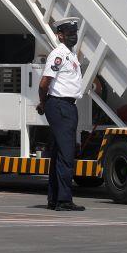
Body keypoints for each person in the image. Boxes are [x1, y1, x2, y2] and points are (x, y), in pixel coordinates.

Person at [36, 18, 86, 211]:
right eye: (69, 34)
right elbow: (44, 83)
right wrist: (43, 102)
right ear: (60, 36)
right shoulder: (58, 55)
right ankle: (64, 201)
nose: (73, 36)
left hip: (67, 106)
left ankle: (54, 198)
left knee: (58, 154)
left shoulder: (70, 55)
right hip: (60, 106)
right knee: (67, 154)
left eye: (75, 33)